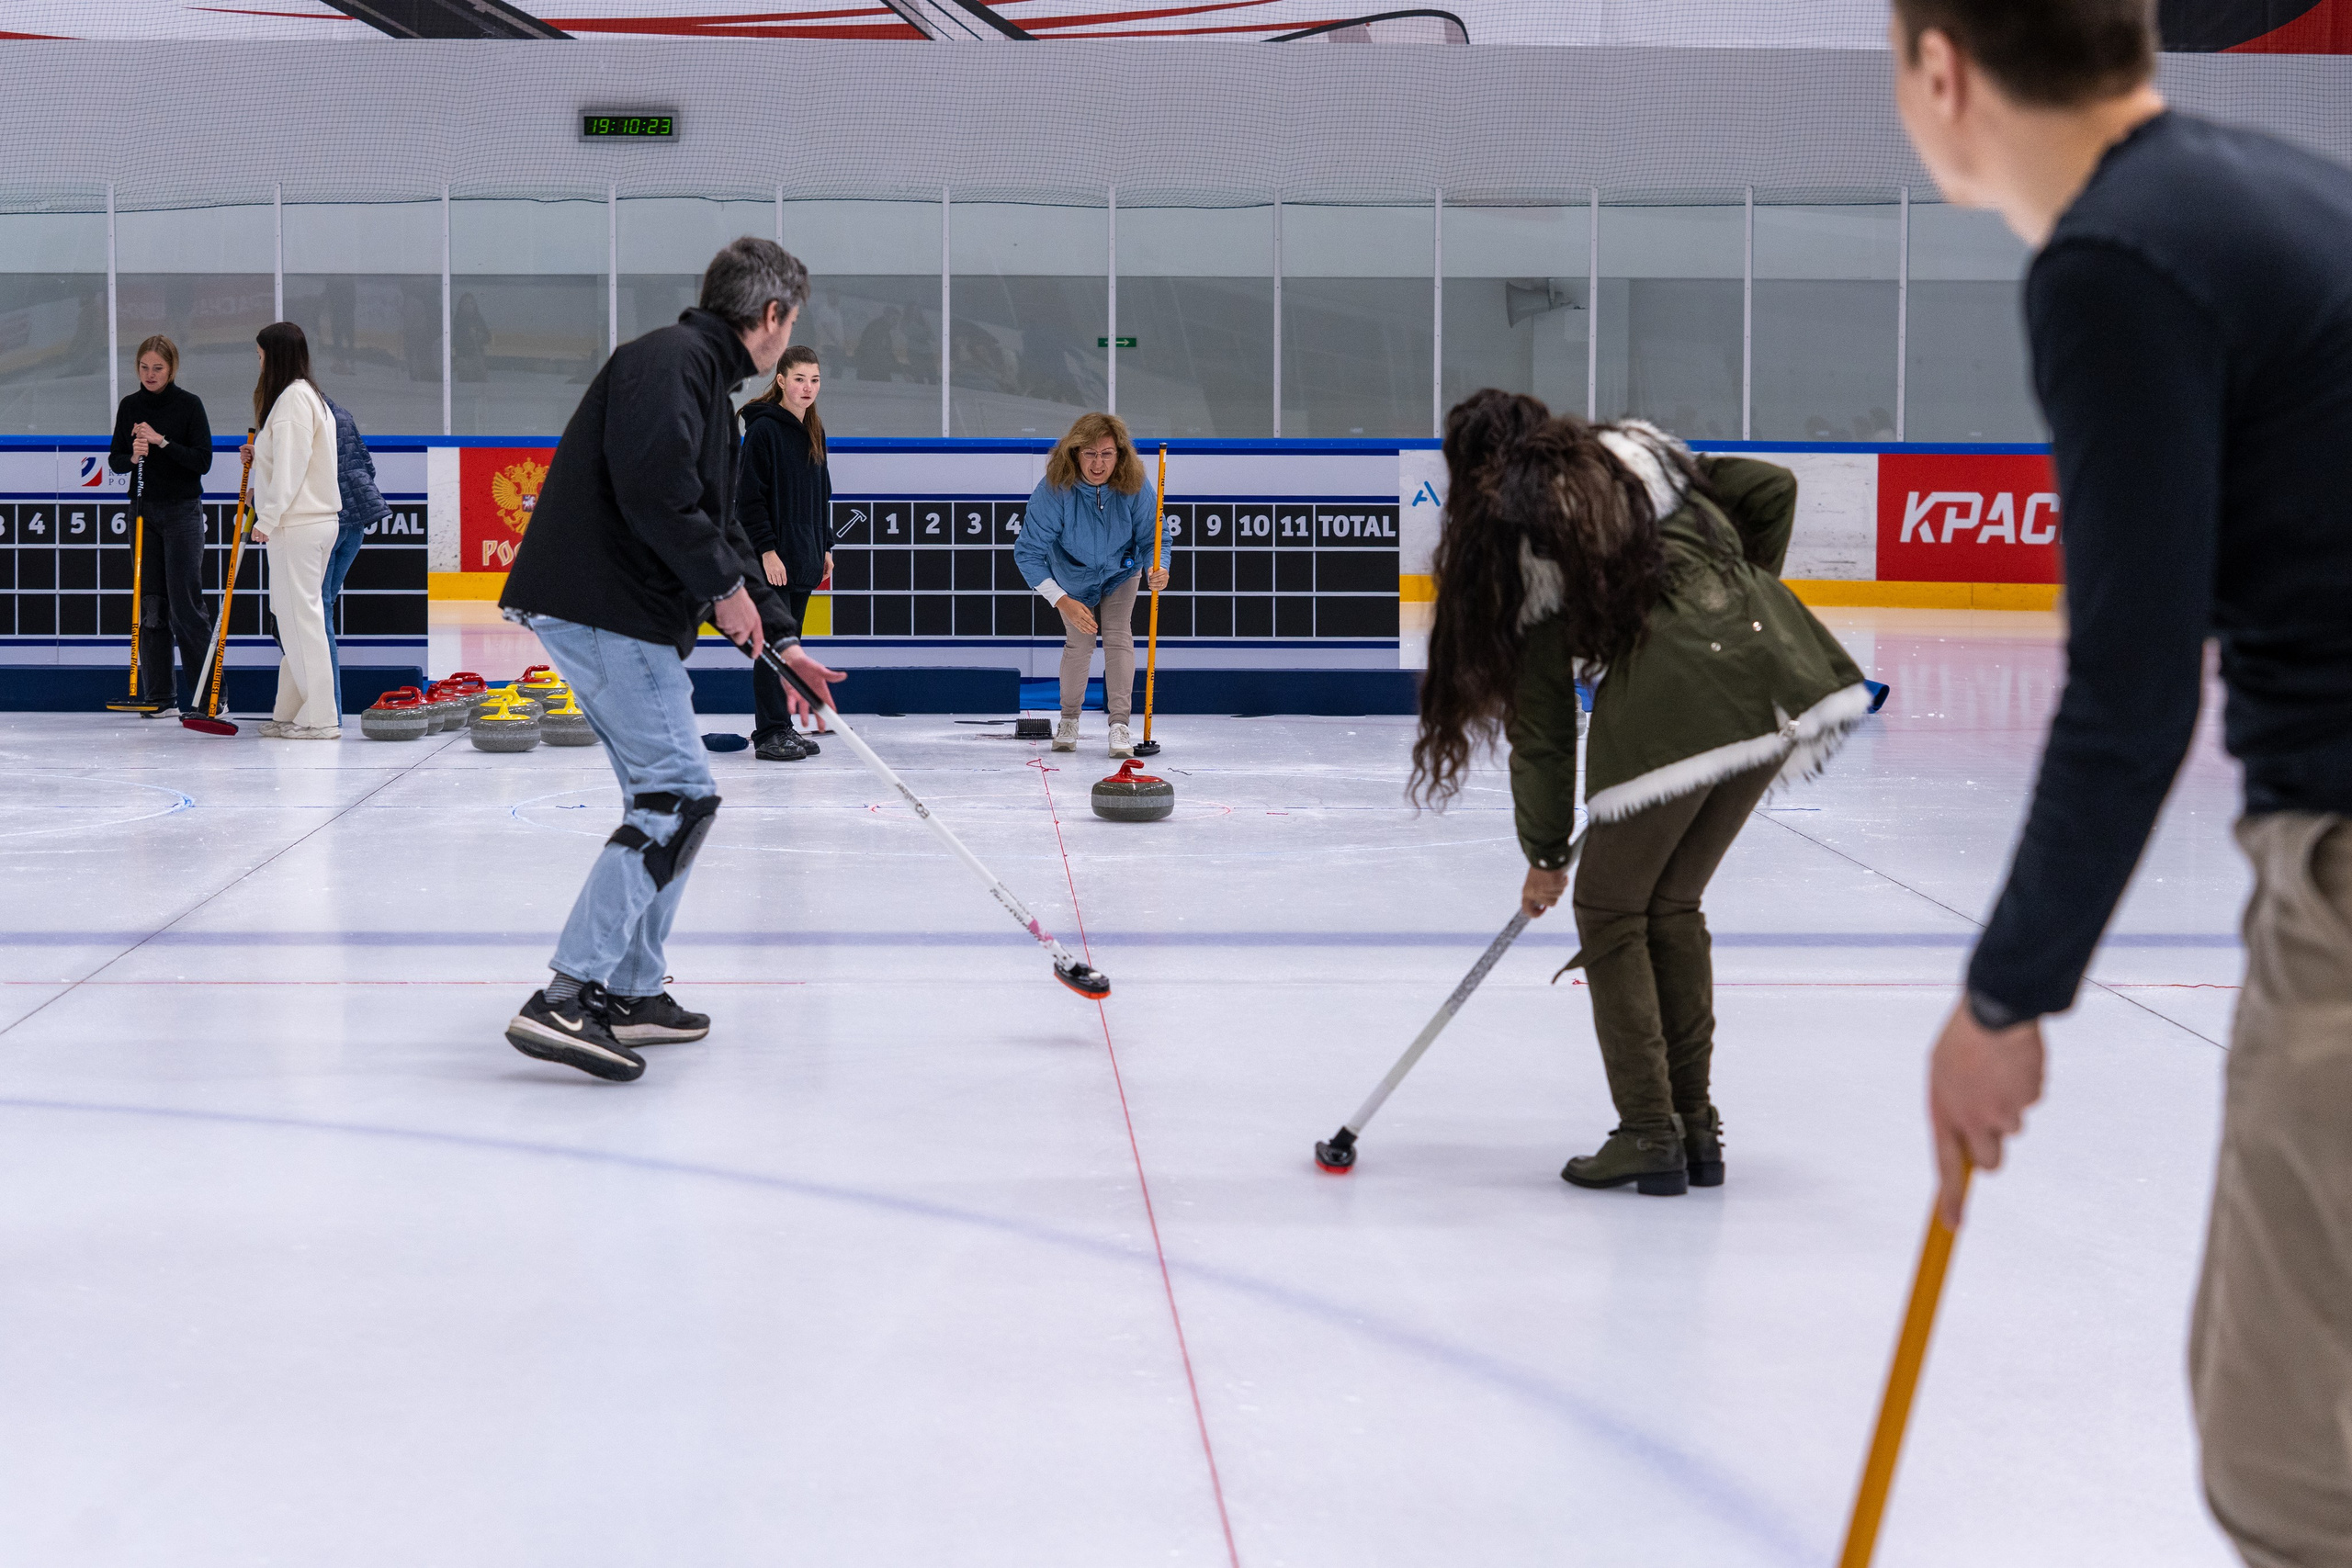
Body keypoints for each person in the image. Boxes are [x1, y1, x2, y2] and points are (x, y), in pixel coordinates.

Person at [1890, 1, 2352, 1558]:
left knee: (2291, 1453)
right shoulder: (2274, 193)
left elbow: (2134, 688)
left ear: (1940, 70)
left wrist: (2007, 999)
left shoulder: (2115, 260)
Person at [1412, 393, 1868, 1195]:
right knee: (1670, 902)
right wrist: (1731, 594)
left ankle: (1650, 1132)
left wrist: (1546, 852)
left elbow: (1545, 721)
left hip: (1678, 688)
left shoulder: (1521, 533)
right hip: (1778, 668)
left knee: (1612, 907)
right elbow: (1772, 488)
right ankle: (1694, 1129)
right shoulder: (1635, 449)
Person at [498, 238, 844, 1085]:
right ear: (770, 319)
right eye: (790, 322)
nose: (788, 337)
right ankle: (566, 995)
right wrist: (722, 588)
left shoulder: (704, 388)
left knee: (673, 799)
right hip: (602, 606)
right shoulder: (669, 362)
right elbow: (657, 489)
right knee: (677, 795)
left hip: (619, 610)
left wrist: (782, 637)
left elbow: (717, 524)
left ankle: (630, 987)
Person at [1013, 412, 1167, 759]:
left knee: (1117, 635)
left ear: (1120, 455)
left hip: (1120, 572)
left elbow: (1156, 539)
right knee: (1079, 643)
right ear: (1075, 453)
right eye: (1090, 453)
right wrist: (1062, 601)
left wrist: (1160, 567)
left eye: (1107, 454)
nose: (1098, 463)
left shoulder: (1136, 483)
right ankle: (1069, 720)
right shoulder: (1054, 489)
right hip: (1071, 578)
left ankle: (1120, 725)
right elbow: (1027, 554)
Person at [107, 334, 215, 716]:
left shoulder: (189, 406)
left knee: (185, 605)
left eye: (158, 368)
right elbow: (116, 460)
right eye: (143, 367)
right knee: (150, 604)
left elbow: (202, 461)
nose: (150, 375)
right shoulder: (130, 406)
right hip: (142, 511)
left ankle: (209, 698)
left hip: (182, 512)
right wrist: (132, 457)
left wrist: (161, 442)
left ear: (171, 370)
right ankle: (159, 695)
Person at [245, 322, 343, 740]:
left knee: (300, 619)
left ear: (275, 355)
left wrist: (265, 520)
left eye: (261, 354)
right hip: (307, 522)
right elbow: (285, 462)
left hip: (298, 525)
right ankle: (293, 708)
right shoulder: (307, 398)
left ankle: (321, 716)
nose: (259, 361)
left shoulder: (292, 401)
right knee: (291, 617)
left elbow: (292, 468)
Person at [736, 344, 833, 761]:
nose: (807, 387)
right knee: (774, 646)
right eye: (799, 379)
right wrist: (767, 551)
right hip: (774, 560)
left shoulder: (813, 428)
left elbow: (820, 494)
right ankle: (771, 730)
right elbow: (749, 499)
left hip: (805, 555)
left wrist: (825, 544)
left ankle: (782, 728)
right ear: (780, 381)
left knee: (790, 643)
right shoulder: (764, 431)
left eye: (814, 379)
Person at [320, 393, 390, 715]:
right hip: (355, 523)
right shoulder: (343, 414)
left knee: (315, 617)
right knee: (323, 612)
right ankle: (325, 706)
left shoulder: (301, 418)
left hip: (327, 523)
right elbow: (367, 465)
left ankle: (325, 709)